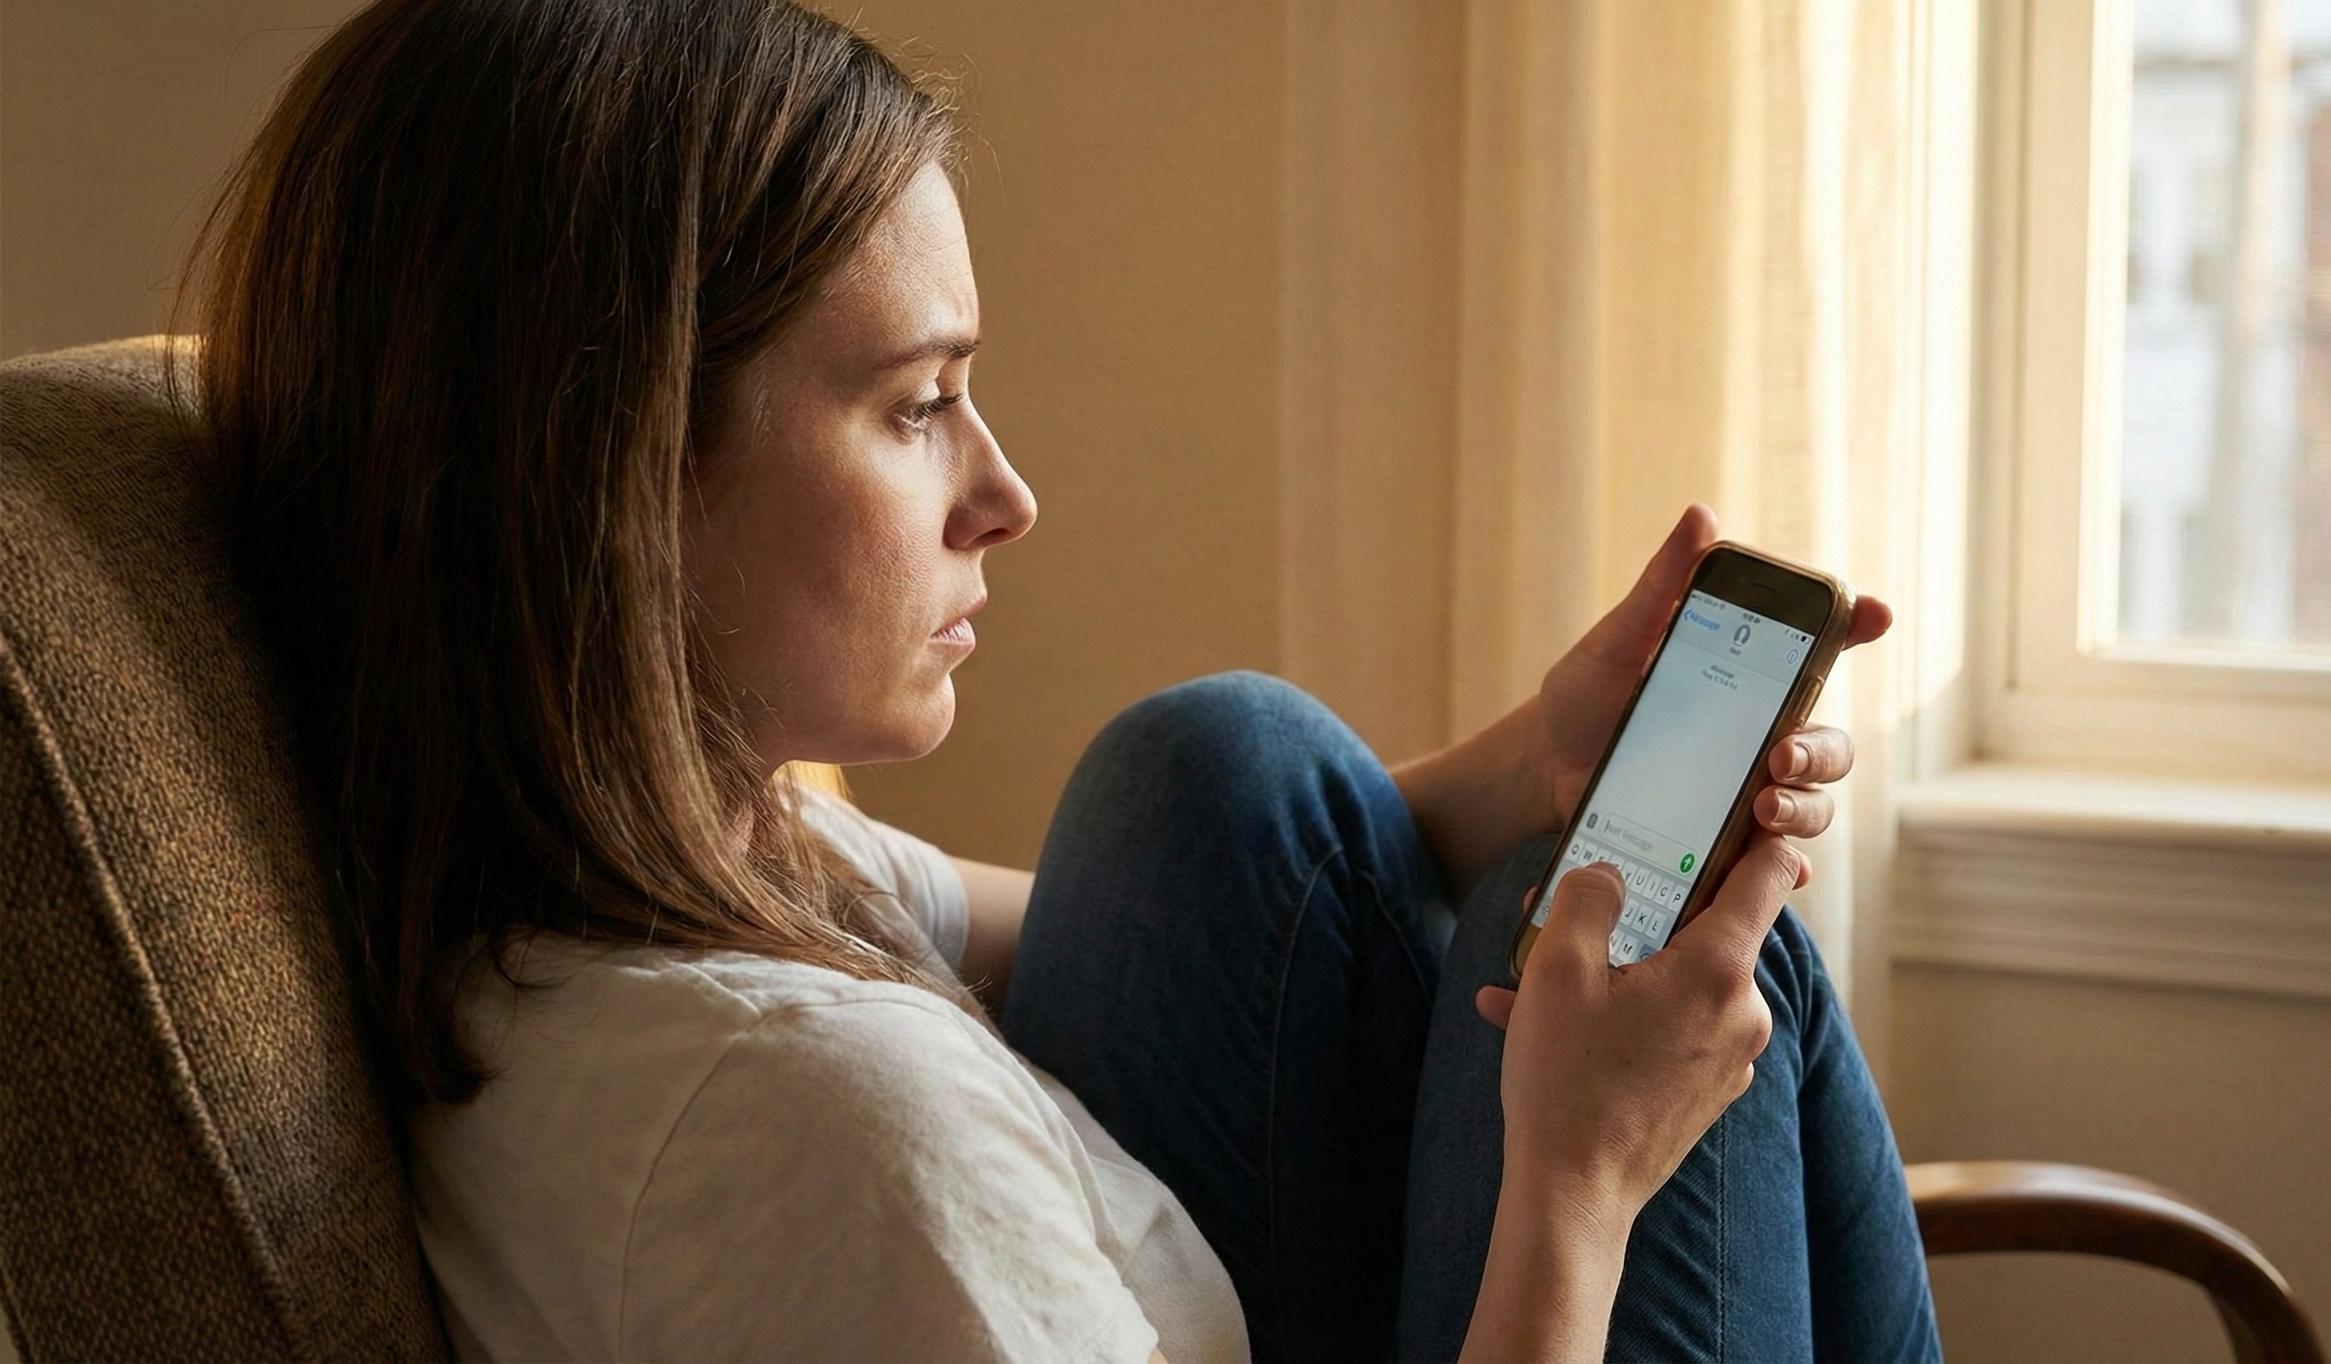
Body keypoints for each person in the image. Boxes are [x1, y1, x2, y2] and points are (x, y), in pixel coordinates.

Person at [180, 0, 1940, 1358]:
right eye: (917, 403)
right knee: (1668, 945)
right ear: (612, 477)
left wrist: (1537, 762)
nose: (1007, 497)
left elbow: (1137, 922)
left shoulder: (658, 886)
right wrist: (1582, 1181)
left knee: (1226, 771)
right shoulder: (837, 1145)